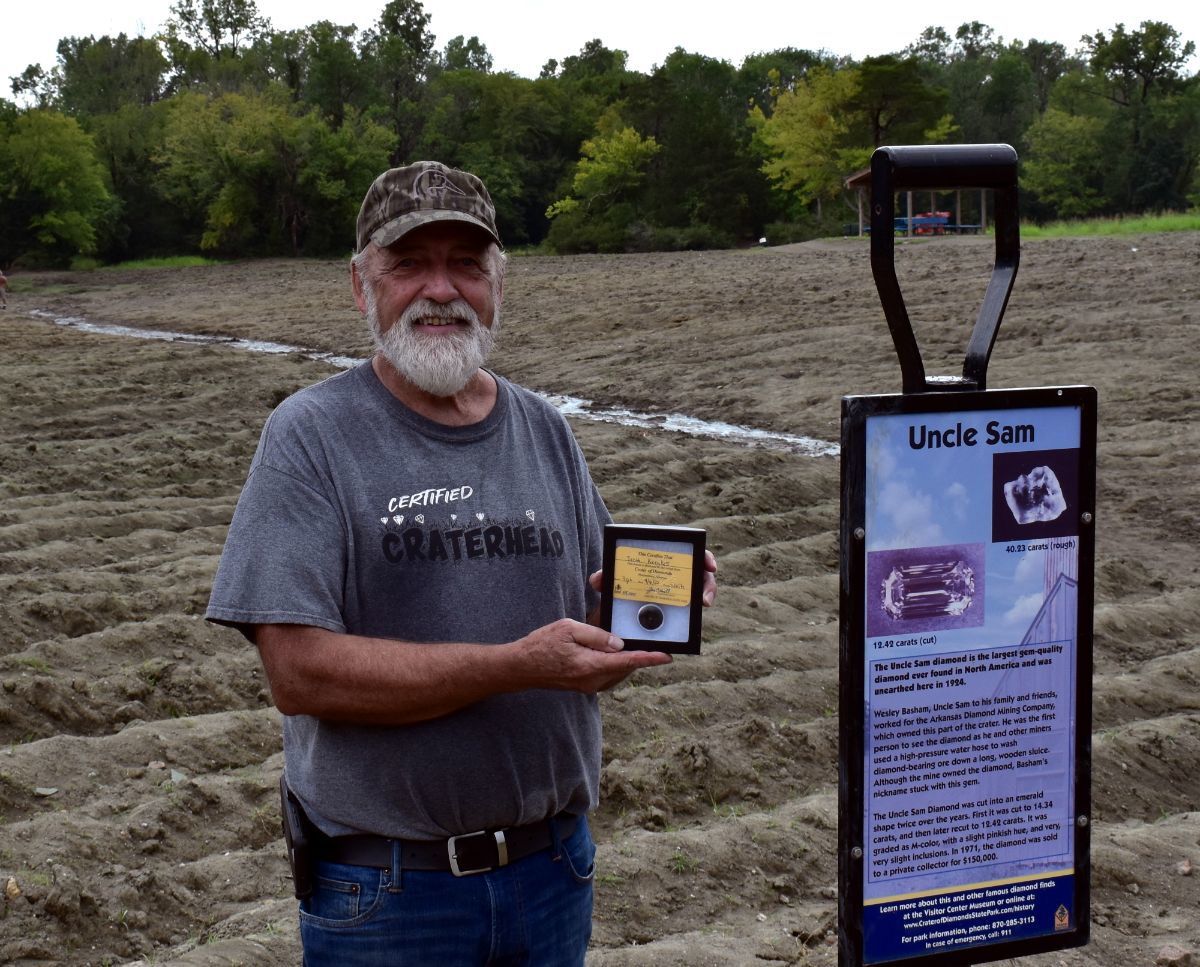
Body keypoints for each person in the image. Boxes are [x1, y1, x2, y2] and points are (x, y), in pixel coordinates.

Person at [206, 160, 717, 966]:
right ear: (360, 285)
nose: (440, 289)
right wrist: (514, 665)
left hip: (553, 871)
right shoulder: (311, 435)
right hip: (391, 894)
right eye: (408, 264)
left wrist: (652, 608)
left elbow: (586, 641)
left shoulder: (543, 427)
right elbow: (299, 673)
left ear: (497, 284)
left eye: (466, 265)